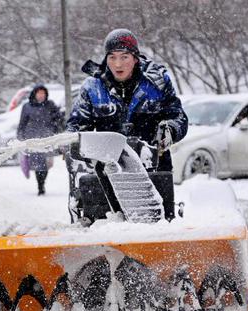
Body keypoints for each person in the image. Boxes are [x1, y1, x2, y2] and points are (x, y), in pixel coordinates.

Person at [65, 28, 188, 221]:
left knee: (156, 228)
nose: (117, 64)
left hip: (153, 172)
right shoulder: (92, 88)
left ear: (136, 58)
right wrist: (79, 143)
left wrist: (170, 129)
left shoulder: (157, 84)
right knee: (105, 229)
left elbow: (178, 116)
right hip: (106, 174)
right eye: (112, 57)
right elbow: (75, 126)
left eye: (124, 57)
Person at [16, 84, 64, 195]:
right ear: (34, 94)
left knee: (47, 164)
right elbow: (22, 123)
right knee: (38, 164)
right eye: (39, 93)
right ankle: (40, 186)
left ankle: (42, 182)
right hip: (33, 140)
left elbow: (59, 119)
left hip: (48, 138)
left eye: (43, 93)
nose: (41, 95)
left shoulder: (50, 105)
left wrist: (57, 126)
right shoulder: (27, 106)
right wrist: (20, 137)